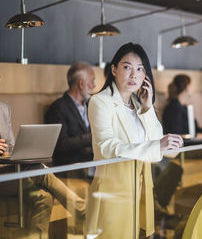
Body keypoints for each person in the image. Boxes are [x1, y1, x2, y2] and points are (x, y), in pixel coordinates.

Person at [85, 42, 183, 238]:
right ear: (114, 69)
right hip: (113, 189)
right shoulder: (100, 102)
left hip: (140, 188)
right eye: (127, 67)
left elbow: (156, 151)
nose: (134, 75)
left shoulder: (139, 103)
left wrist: (148, 109)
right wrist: (157, 144)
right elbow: (107, 147)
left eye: (140, 69)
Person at [0, 101, 85, 235]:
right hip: (4, 179)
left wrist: (23, 151)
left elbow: (11, 147)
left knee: (44, 197)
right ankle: (83, 211)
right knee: (37, 169)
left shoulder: (4, 109)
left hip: (10, 173)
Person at [45, 62, 95, 166]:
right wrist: (92, 137)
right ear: (81, 84)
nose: (94, 86)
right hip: (69, 168)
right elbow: (60, 144)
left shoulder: (90, 105)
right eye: (92, 81)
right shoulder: (58, 108)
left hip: (91, 164)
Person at [162, 74, 202, 139]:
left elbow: (196, 129)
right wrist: (196, 136)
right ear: (187, 87)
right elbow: (177, 134)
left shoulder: (183, 107)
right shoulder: (174, 108)